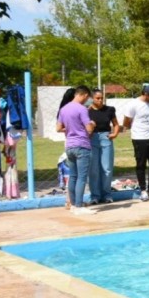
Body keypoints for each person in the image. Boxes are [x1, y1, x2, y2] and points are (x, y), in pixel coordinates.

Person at [57, 86, 96, 214]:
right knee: (82, 177)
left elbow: (58, 128)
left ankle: (73, 204)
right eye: (87, 98)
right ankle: (79, 206)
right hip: (82, 145)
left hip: (70, 146)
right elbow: (89, 129)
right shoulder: (82, 109)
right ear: (84, 95)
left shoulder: (64, 109)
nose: (87, 100)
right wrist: (92, 124)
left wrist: (71, 128)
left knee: (73, 176)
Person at [122, 84, 149, 202]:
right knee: (141, 164)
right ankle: (143, 190)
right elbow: (127, 119)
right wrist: (127, 128)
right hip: (139, 138)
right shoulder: (133, 104)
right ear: (145, 94)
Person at [87, 89, 120, 204]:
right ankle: (95, 196)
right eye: (98, 98)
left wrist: (115, 134)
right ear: (92, 98)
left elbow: (116, 124)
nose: (100, 100)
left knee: (107, 168)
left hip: (106, 138)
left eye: (102, 98)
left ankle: (107, 195)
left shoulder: (109, 110)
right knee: (94, 169)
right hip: (92, 138)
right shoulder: (87, 111)